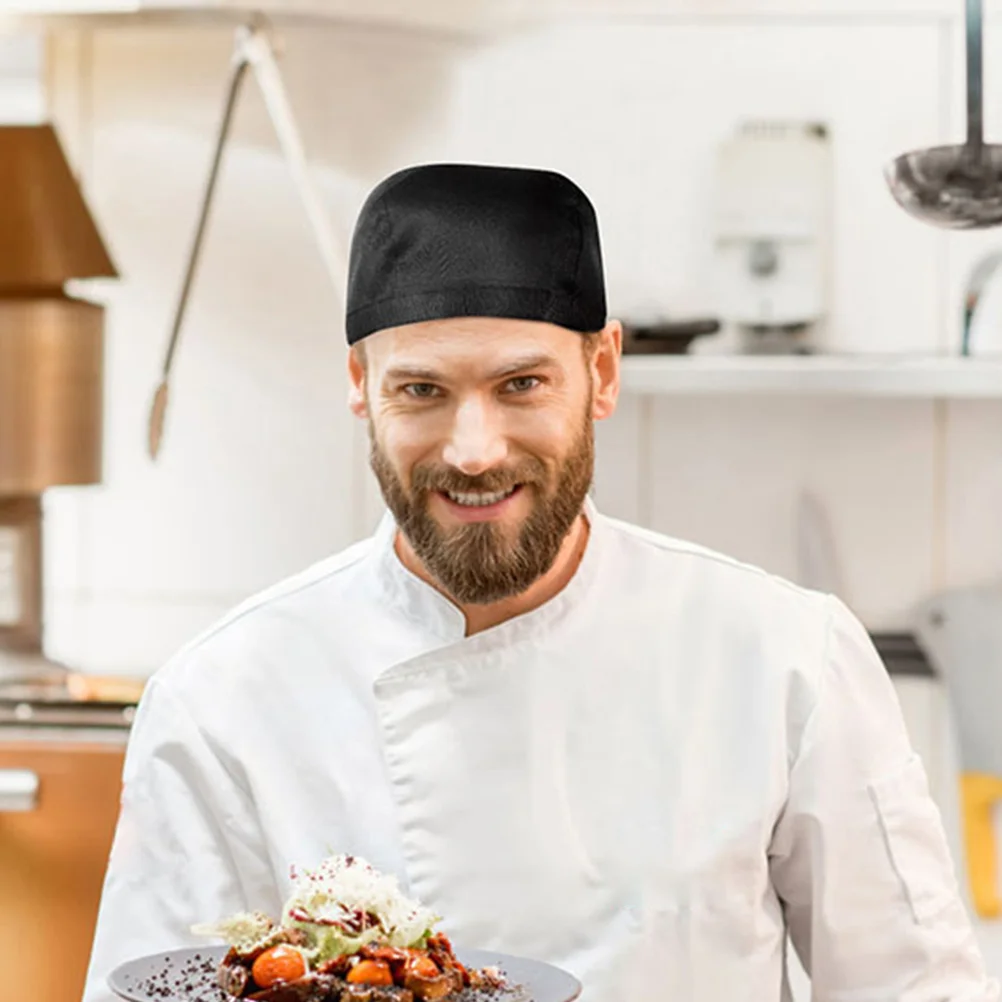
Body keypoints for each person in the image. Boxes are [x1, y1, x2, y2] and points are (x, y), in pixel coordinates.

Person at [84, 163, 997, 1002]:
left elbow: (915, 989)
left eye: (521, 384)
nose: (474, 450)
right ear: (360, 384)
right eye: (421, 391)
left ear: (601, 371)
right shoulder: (223, 700)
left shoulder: (786, 657)